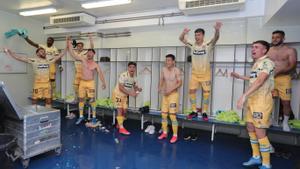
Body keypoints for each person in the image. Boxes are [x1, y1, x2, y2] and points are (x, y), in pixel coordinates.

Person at [235, 40, 274, 169]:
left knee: (260, 132)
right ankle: (256, 157)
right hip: (252, 101)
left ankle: (266, 163)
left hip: (262, 102)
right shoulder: (256, 63)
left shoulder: (267, 62)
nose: (253, 49)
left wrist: (244, 95)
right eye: (252, 47)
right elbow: (254, 79)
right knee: (250, 128)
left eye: (256, 47)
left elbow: (261, 81)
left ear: (265, 50)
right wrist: (240, 76)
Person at [4, 39, 67, 107]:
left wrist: (67, 47)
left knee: (48, 100)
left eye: (44, 51)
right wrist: (10, 51)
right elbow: (18, 57)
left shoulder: (48, 61)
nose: (43, 52)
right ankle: (34, 115)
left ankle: (47, 114)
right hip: (38, 84)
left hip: (47, 84)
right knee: (34, 100)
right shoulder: (33, 60)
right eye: (41, 51)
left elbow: (60, 55)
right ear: (37, 53)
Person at [179, 22, 222, 121]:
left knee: (206, 93)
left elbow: (216, 38)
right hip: (194, 74)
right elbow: (181, 39)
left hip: (205, 74)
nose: (196, 37)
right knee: (192, 91)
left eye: (198, 35)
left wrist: (217, 30)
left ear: (203, 35)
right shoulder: (192, 45)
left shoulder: (207, 45)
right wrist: (184, 32)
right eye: (195, 35)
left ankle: (204, 112)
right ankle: (194, 111)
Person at [67, 39, 106, 126]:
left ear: (93, 54)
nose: (89, 54)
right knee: (81, 99)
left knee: (92, 100)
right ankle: (81, 116)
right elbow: (73, 54)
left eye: (91, 53)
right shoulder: (82, 59)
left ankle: (94, 117)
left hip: (90, 83)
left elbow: (100, 74)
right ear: (87, 54)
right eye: (88, 52)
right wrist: (69, 44)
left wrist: (103, 83)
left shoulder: (95, 64)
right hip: (82, 82)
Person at [267, 30, 297, 132]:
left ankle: (285, 122)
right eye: (273, 37)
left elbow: (292, 65)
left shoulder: (290, 50)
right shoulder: (268, 50)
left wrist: (279, 71)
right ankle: (269, 119)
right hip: (270, 78)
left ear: (283, 38)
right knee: (267, 100)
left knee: (286, 102)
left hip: (284, 79)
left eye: (277, 37)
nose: (274, 39)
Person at [158, 54, 182, 143]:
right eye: (166, 60)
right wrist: (159, 87)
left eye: (169, 60)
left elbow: (180, 83)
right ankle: (164, 132)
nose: (167, 62)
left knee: (172, 116)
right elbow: (162, 79)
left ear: (173, 62)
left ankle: (175, 135)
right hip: (165, 95)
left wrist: (170, 90)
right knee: (163, 115)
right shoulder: (163, 69)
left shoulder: (176, 70)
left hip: (173, 95)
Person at [112, 62, 142, 135]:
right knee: (120, 110)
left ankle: (119, 124)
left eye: (133, 67)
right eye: (130, 67)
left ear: (135, 68)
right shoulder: (123, 75)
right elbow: (121, 88)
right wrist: (131, 93)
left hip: (125, 95)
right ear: (128, 68)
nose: (132, 68)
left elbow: (135, 87)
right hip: (118, 94)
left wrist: (138, 90)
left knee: (124, 111)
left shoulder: (135, 78)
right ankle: (121, 128)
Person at [72, 34, 94, 101]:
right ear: (77, 47)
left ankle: (87, 98)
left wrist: (90, 38)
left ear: (82, 47)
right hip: (77, 73)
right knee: (76, 86)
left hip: (84, 73)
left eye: (81, 46)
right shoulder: (74, 53)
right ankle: (76, 98)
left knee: (85, 86)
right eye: (78, 46)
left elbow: (92, 47)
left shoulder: (85, 53)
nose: (79, 47)